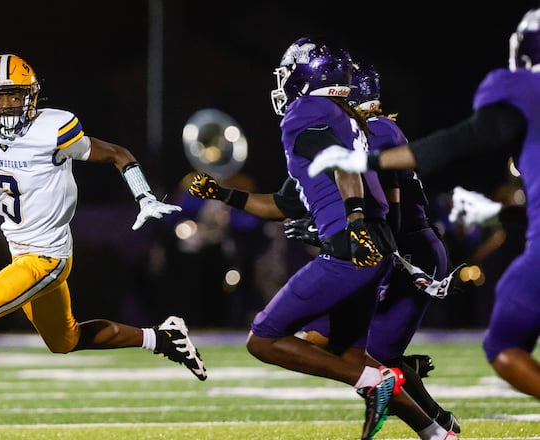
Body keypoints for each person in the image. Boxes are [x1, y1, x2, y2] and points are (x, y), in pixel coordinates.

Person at [0, 53, 205, 440]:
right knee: (66, 340)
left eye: (14, 96)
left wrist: (144, 196)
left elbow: (117, 154)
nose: (6, 104)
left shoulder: (55, 130)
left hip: (46, 257)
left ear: (31, 97)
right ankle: (163, 337)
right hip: (20, 252)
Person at [192, 37, 455, 440]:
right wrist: (223, 193)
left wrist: (351, 220)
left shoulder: (306, 111)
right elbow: (286, 200)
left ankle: (381, 381)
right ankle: (436, 432)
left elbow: (341, 168)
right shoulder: (347, 120)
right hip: (376, 247)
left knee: (263, 339)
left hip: (351, 249)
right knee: (349, 354)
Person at [307, 7, 540, 401]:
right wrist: (497, 213)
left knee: (502, 344)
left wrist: (363, 162)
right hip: (413, 250)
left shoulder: (377, 133)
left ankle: (401, 380)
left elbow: (461, 140)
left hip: (400, 253)